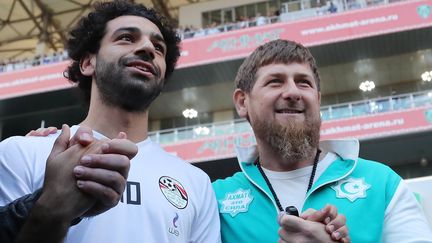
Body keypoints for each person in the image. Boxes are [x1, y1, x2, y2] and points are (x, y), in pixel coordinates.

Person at [0, 1, 220, 243]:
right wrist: (52, 207)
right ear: (87, 63)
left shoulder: (196, 183)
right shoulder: (21, 153)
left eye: (159, 47)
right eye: (126, 38)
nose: (148, 48)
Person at [212, 39, 432, 242]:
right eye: (275, 81)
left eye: (304, 82)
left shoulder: (382, 183)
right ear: (242, 102)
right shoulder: (214, 199)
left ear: (317, 99)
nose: (292, 92)